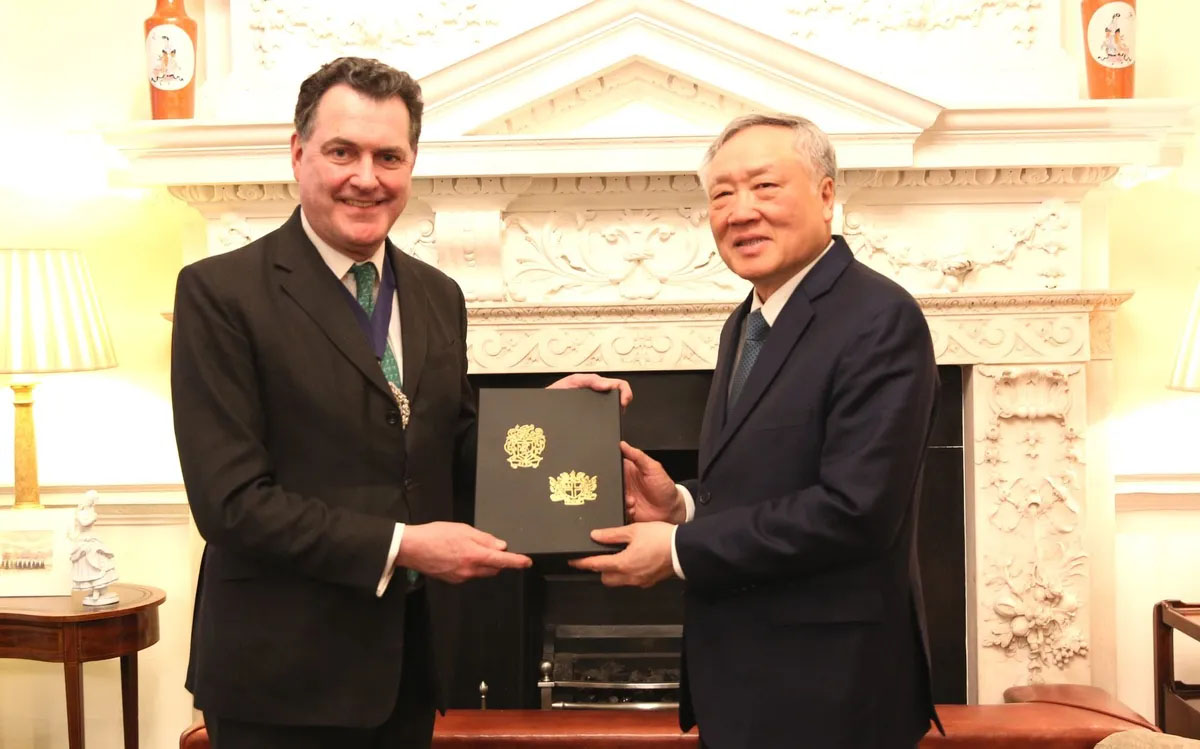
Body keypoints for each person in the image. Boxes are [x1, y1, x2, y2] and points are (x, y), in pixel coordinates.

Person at [171, 56, 628, 749]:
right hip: (280, 678)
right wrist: (404, 545)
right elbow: (230, 503)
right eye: (342, 152)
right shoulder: (220, 293)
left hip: (410, 667)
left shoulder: (437, 294)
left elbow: (448, 439)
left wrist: (546, 420)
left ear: (411, 164)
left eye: (389, 156)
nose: (367, 177)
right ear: (297, 154)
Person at [571, 113, 942, 748]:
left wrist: (679, 549)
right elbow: (767, 479)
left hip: (832, 691)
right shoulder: (747, 321)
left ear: (826, 194)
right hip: (746, 682)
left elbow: (855, 511)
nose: (741, 211)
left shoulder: (879, 318)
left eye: (765, 186)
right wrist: (681, 504)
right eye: (722, 194)